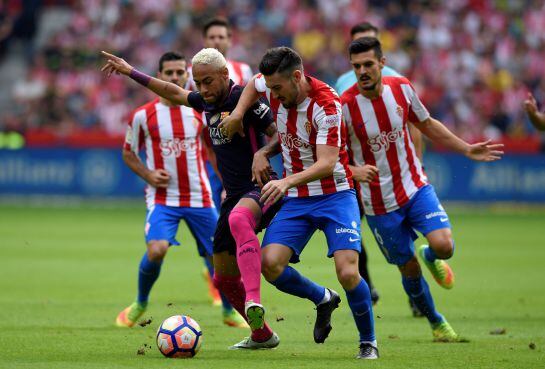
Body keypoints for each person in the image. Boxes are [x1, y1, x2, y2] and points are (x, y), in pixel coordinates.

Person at [101, 48, 280, 349]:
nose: (203, 89)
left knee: (259, 248)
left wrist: (262, 153)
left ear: (225, 75)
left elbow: (279, 134)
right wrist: (131, 71)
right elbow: (172, 91)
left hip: (257, 190)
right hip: (230, 196)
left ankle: (259, 300)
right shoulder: (202, 102)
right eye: (198, 83)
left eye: (208, 81)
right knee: (221, 277)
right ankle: (261, 333)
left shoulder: (243, 100)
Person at [341, 37, 504, 342]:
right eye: (356, 66)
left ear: (382, 63)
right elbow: (333, 156)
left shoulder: (401, 88)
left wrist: (466, 148)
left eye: (368, 64)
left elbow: (427, 124)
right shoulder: (345, 107)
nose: (362, 71)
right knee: (408, 268)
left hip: (414, 185)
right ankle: (436, 322)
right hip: (378, 204)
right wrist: (353, 171)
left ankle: (432, 254)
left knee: (444, 245)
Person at [220, 47, 378, 359]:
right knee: (270, 264)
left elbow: (327, 162)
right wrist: (248, 129)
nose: (273, 94)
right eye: (271, 88)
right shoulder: (274, 84)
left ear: (297, 76)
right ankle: (322, 298)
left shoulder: (327, 105)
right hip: (299, 199)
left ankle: (368, 341)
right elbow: (254, 85)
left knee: (348, 272)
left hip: (335, 194)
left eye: (277, 88)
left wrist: (285, 180)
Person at [114, 51, 246, 329]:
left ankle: (228, 309)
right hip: (163, 199)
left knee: (218, 255)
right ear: (160, 76)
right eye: (169, 73)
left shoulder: (198, 111)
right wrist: (149, 174)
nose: (175, 77)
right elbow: (128, 153)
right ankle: (140, 301)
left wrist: (227, 187)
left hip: (200, 197)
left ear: (186, 76)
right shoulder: (142, 116)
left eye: (179, 72)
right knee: (158, 249)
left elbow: (213, 151)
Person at [335, 22, 424, 314]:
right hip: (355, 176)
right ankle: (367, 286)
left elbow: (415, 126)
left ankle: (414, 292)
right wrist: (348, 170)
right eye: (357, 45)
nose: (363, 68)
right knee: (352, 233)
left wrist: (418, 167)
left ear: (379, 52)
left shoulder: (396, 80)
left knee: (401, 237)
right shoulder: (342, 85)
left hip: (394, 176)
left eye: (369, 45)